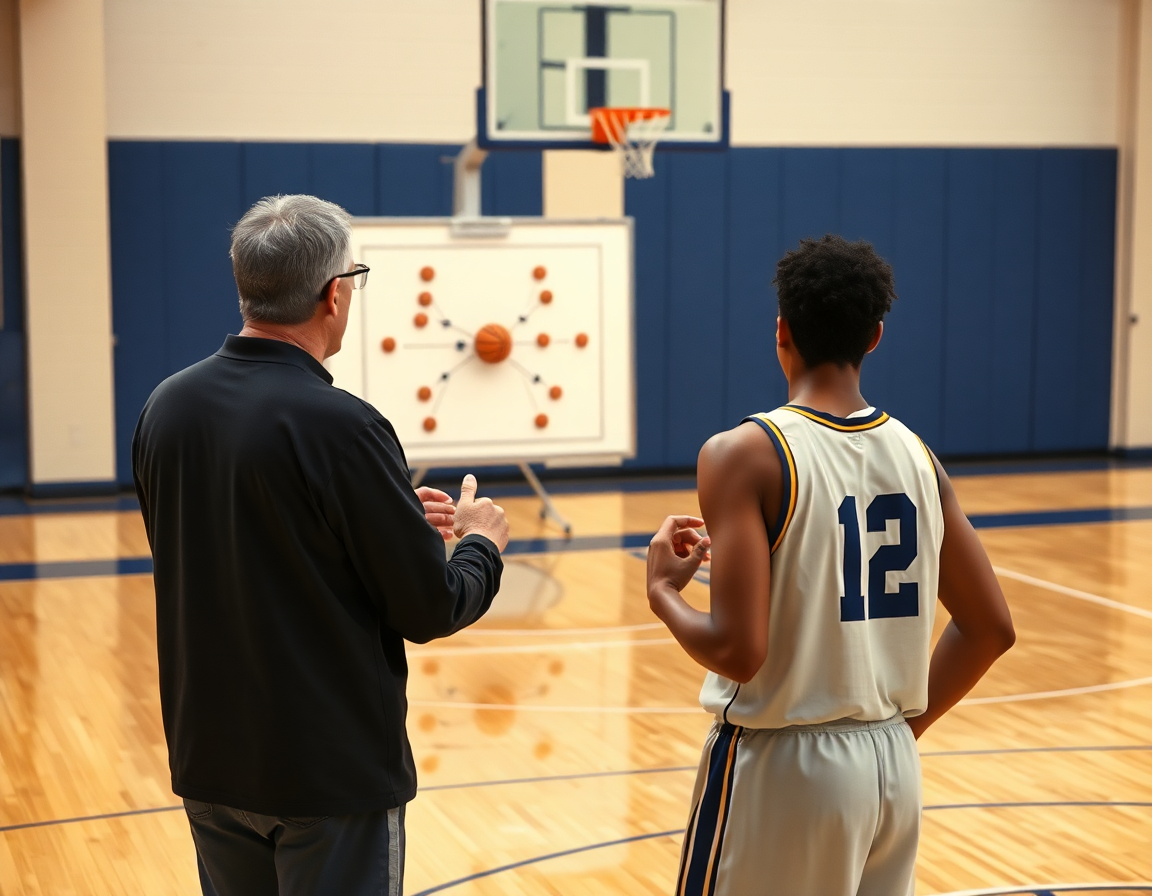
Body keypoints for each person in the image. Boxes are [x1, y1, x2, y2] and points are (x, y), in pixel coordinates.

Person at [132, 194, 510, 896]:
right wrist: (479, 544)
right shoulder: (345, 426)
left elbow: (240, 545)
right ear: (334, 294)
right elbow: (431, 608)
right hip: (328, 777)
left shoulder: (165, 407)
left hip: (209, 758)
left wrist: (388, 519)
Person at [645, 234, 1015, 896]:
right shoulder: (919, 457)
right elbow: (991, 628)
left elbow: (737, 651)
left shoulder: (744, 453)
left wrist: (663, 593)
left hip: (786, 771)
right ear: (874, 336)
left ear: (781, 330)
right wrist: (899, 732)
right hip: (892, 769)